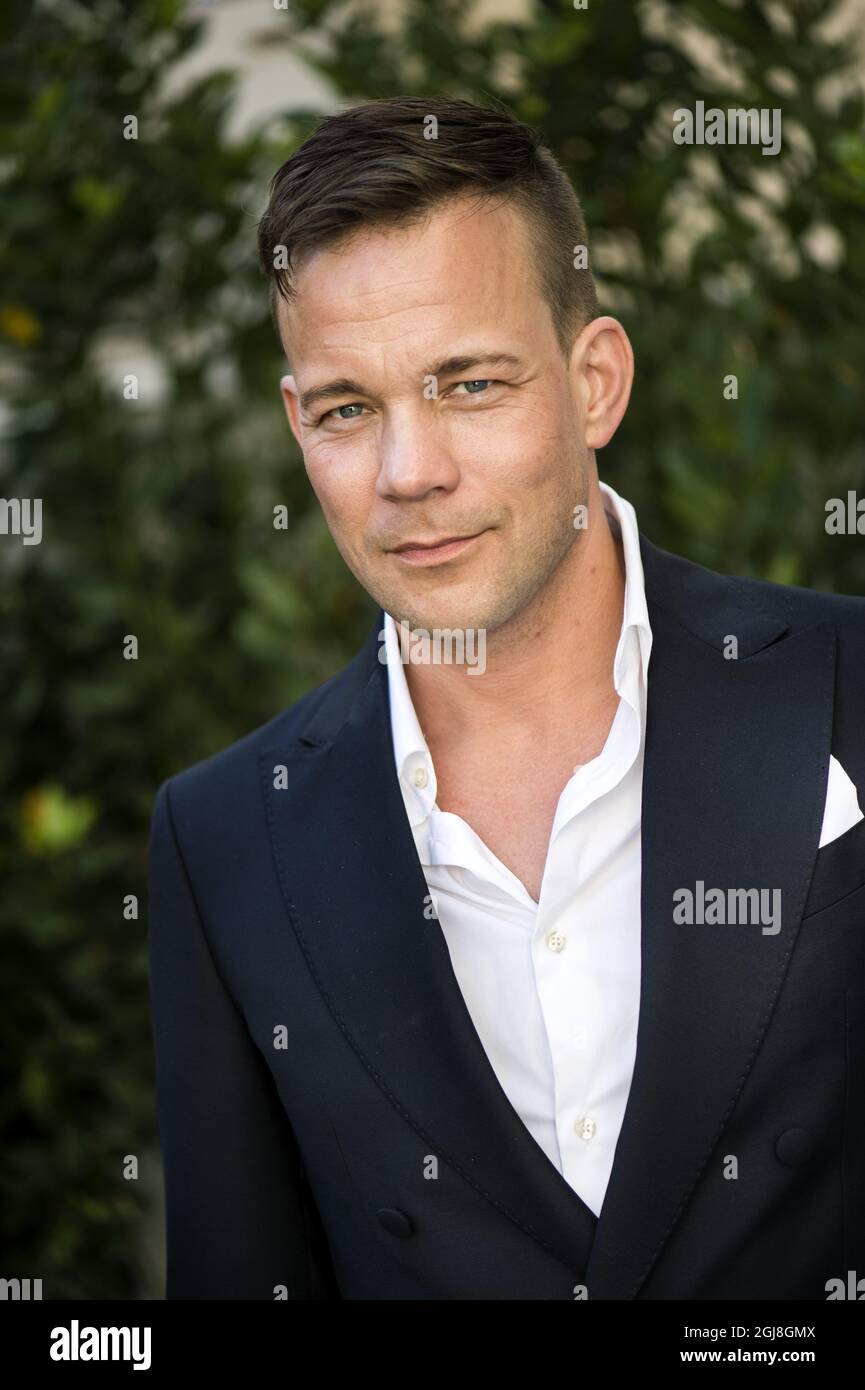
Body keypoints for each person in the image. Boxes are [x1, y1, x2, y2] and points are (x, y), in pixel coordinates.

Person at [147, 95, 865, 1300]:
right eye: (346, 408)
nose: (408, 472)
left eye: (467, 385)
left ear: (595, 383)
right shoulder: (224, 836)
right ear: (296, 427)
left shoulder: (849, 689)